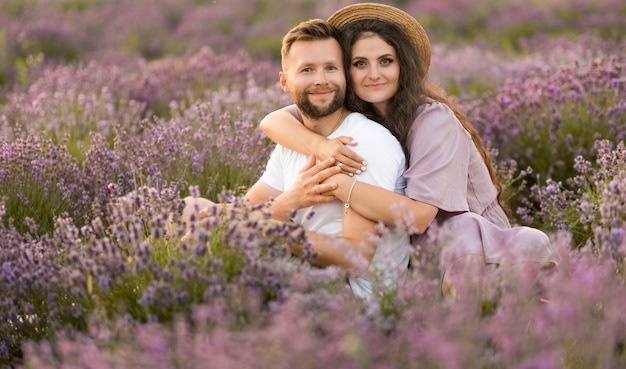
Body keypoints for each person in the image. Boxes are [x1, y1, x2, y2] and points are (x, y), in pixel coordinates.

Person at [259, 3, 555, 283]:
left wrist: (336, 183)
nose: (374, 74)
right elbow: (273, 121)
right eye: (360, 63)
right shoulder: (359, 114)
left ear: (403, 66)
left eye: (386, 61)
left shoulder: (432, 120)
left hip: (472, 244)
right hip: (411, 251)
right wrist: (321, 147)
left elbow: (420, 217)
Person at [182, 18, 409, 299]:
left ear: (344, 76)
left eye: (330, 68)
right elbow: (248, 211)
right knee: (191, 208)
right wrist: (286, 204)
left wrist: (266, 228)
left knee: (218, 234)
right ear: (284, 82)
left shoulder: (365, 143)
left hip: (348, 294)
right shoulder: (293, 143)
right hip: (300, 265)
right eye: (307, 70)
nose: (321, 80)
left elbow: (355, 258)